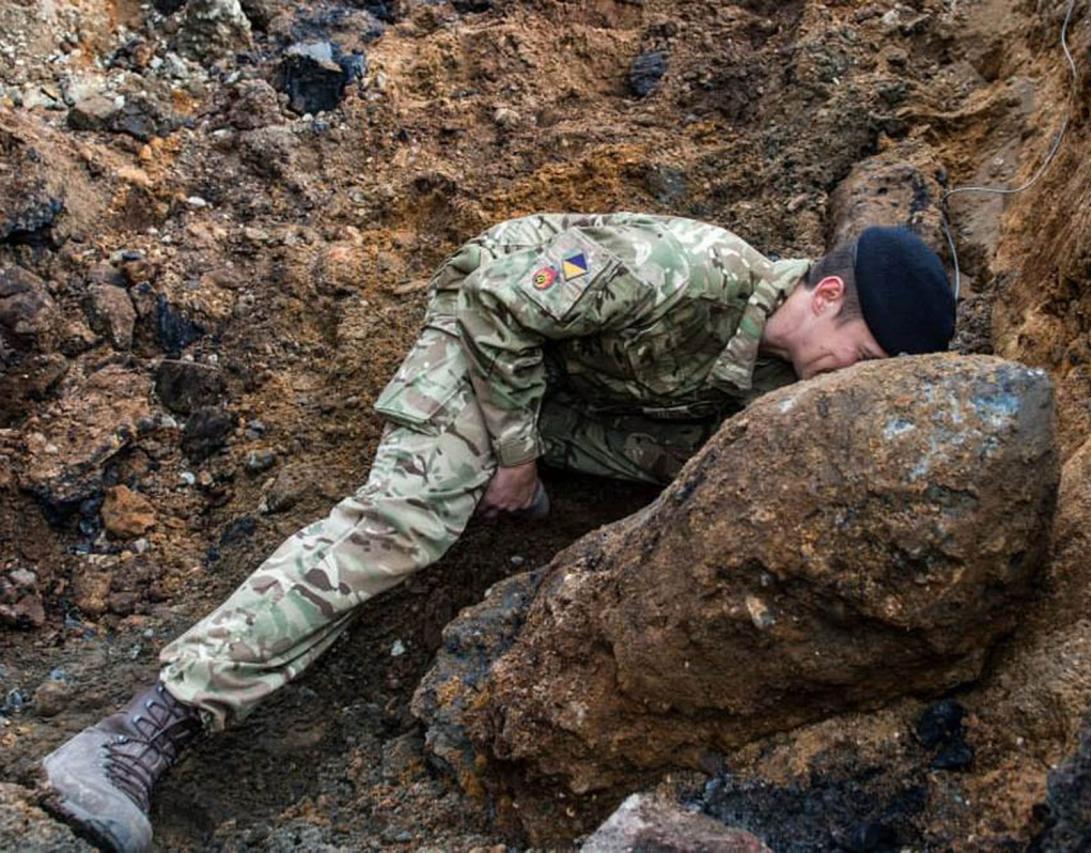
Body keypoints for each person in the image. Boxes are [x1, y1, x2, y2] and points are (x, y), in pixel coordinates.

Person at [39, 212, 955, 851]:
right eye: (861, 358)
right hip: (490, 324)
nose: (842, 386)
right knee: (409, 523)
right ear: (827, 292)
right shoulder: (689, 268)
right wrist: (514, 453)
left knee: (701, 467)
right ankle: (138, 731)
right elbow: (501, 304)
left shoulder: (770, 383)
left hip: (577, 383)